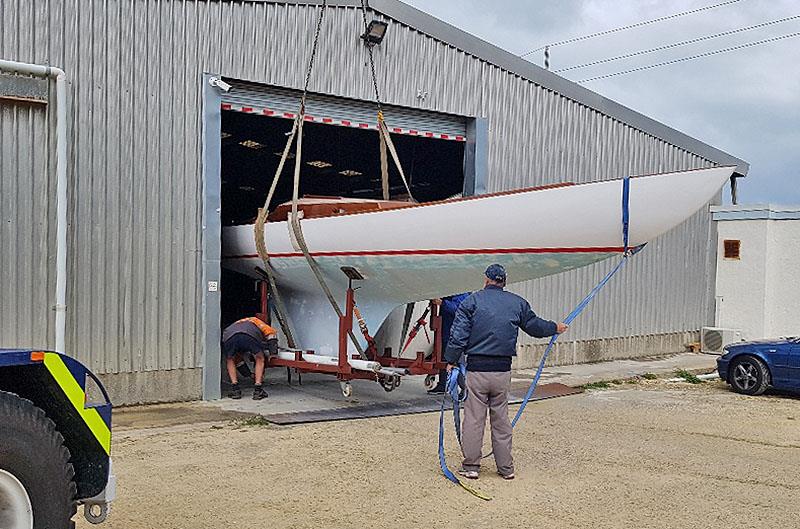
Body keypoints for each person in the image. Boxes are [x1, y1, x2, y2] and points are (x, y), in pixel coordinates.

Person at [444, 264, 568, 480]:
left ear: (486, 279)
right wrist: (554, 328)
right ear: (504, 281)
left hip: (477, 371)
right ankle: (505, 469)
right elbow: (535, 327)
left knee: (474, 419)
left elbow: (458, 336)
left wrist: (451, 361)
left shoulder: (471, 302)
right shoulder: (517, 303)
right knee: (501, 419)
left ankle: (472, 466)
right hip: (502, 372)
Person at [222, 314, 278, 400]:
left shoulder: (234, 325)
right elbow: (271, 333)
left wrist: (248, 374)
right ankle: (258, 390)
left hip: (229, 337)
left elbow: (238, 361)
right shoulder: (255, 320)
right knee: (259, 358)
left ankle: (235, 390)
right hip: (249, 335)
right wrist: (273, 353)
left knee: (230, 359)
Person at [428, 292, 471, 394]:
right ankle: (443, 384)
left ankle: (466, 388)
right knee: (444, 358)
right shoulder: (453, 291)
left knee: (458, 361)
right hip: (447, 331)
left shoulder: (462, 291)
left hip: (456, 334)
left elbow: (459, 309)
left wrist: (442, 303)